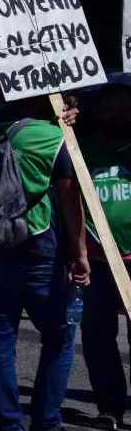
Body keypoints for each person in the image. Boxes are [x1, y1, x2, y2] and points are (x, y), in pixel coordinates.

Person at [0, 97, 88, 431]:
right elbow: (69, 197)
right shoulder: (53, 138)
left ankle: (8, 422)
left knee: (0, 336)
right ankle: (46, 421)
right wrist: (79, 253)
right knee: (60, 336)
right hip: (40, 245)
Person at [80, 74, 131, 430]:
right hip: (96, 261)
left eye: (123, 100)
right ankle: (109, 407)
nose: (115, 107)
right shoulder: (81, 145)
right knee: (97, 337)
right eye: (109, 100)